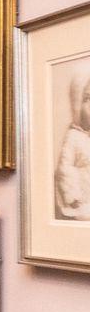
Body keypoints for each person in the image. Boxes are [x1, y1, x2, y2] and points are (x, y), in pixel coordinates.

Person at [56, 66, 90, 221]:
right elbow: (65, 168)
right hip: (80, 200)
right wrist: (73, 196)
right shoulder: (73, 137)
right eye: (87, 99)